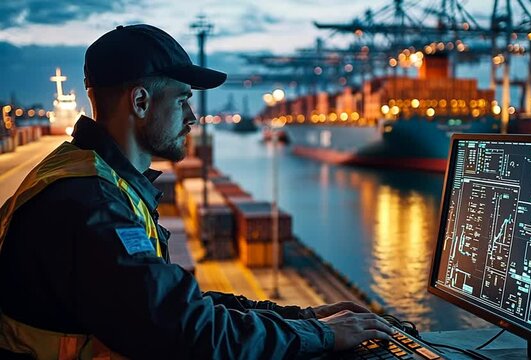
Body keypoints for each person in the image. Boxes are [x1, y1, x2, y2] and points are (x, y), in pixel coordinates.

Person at [0, 24, 393, 359]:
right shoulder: (91, 204)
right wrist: (323, 336)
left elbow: (174, 304)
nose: (193, 117)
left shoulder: (93, 176)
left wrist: (305, 318)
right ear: (140, 102)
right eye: (184, 100)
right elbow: (190, 331)